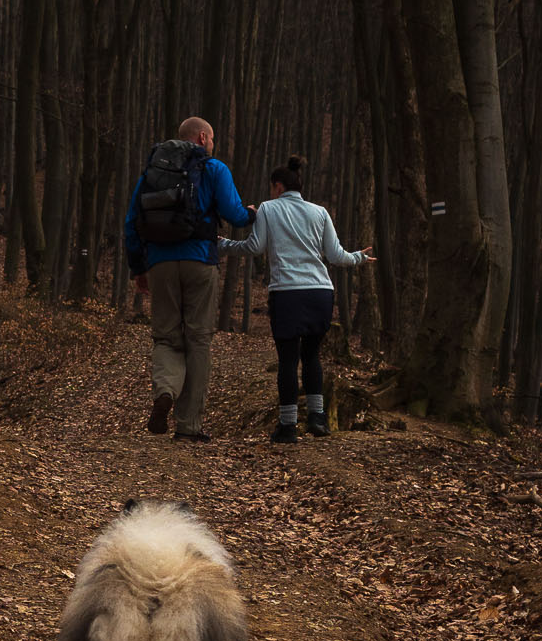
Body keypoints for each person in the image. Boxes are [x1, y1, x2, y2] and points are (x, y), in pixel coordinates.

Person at [222, 155, 373, 443]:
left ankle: (288, 425)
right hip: (320, 292)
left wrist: (223, 245)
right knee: (312, 355)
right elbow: (336, 255)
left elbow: (255, 247)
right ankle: (318, 418)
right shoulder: (320, 212)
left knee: (288, 360)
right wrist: (360, 257)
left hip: (287, 293)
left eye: (271, 188)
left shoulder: (268, 209)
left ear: (278, 186)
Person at [125, 116, 254, 443]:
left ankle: (165, 390)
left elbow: (131, 222)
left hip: (159, 264)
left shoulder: (152, 173)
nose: (213, 144)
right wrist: (252, 212)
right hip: (200, 262)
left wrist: (139, 268)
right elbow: (235, 214)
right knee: (198, 340)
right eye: (212, 139)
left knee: (166, 337)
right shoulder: (214, 168)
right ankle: (188, 425)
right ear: (201, 137)